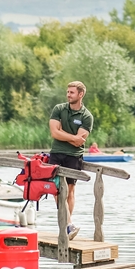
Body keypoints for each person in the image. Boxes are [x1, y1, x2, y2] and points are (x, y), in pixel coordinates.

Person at [48, 81, 94, 239]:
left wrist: (64, 134)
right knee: (57, 190)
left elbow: (78, 142)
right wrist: (72, 136)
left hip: (74, 156)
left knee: (70, 191)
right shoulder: (59, 109)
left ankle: (66, 225)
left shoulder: (87, 116)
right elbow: (54, 133)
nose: (68, 95)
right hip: (56, 154)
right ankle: (68, 224)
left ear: (80, 94)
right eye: (67, 92)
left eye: (72, 92)